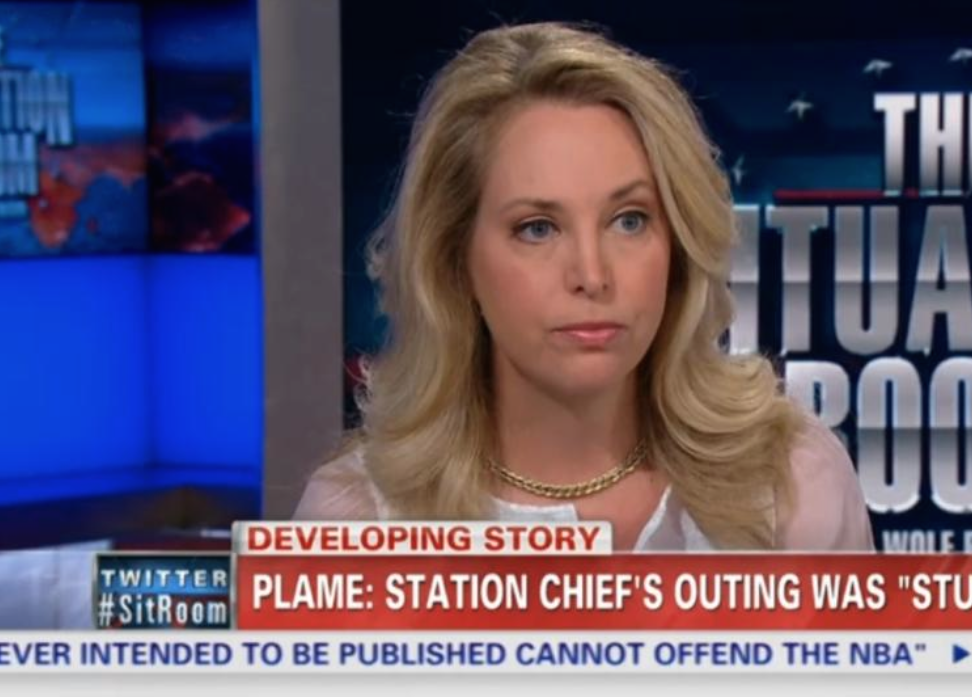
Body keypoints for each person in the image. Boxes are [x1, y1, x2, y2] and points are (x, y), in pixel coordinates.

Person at [296, 22, 873, 552]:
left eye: (629, 220)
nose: (592, 276)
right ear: (455, 260)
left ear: (677, 244)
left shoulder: (793, 483)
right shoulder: (353, 525)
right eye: (537, 228)